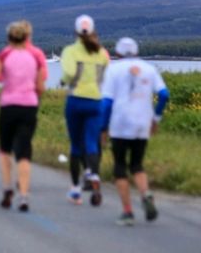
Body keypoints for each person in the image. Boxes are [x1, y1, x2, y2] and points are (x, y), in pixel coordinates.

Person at [101, 37, 170, 226]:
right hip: (142, 123)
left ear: (117, 53)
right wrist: (156, 119)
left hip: (120, 124)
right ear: (137, 52)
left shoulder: (113, 70)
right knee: (137, 165)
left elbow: (106, 103)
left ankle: (128, 212)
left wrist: (103, 127)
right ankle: (145, 194)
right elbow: (164, 95)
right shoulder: (149, 69)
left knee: (120, 167)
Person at [0, 20, 47, 212]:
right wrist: (35, 98)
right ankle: (24, 195)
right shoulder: (36, 55)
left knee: (5, 149)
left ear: (9, 37)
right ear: (27, 36)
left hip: (8, 106)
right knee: (24, 151)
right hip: (29, 106)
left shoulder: (3, 54)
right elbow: (40, 86)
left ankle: (7, 187)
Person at [61, 14, 110, 207]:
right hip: (96, 101)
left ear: (76, 31)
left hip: (76, 101)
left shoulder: (71, 51)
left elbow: (69, 73)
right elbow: (107, 75)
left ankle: (75, 190)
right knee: (91, 142)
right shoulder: (102, 53)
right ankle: (93, 174)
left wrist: (65, 81)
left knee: (75, 145)